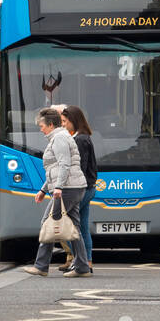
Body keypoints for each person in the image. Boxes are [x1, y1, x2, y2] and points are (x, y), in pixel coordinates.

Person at [23, 107, 91, 277]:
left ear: (51, 125)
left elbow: (64, 164)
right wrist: (43, 189)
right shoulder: (59, 137)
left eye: (42, 125)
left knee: (48, 222)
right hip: (74, 186)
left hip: (68, 188)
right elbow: (55, 169)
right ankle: (82, 267)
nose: (41, 129)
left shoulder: (59, 139)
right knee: (74, 227)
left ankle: (41, 266)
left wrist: (58, 187)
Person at [61, 105, 97, 274]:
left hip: (80, 188)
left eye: (65, 122)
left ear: (74, 121)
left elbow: (79, 168)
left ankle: (80, 261)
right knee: (82, 226)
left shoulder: (80, 140)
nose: (63, 125)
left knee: (67, 225)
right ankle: (86, 261)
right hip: (88, 188)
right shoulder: (83, 138)